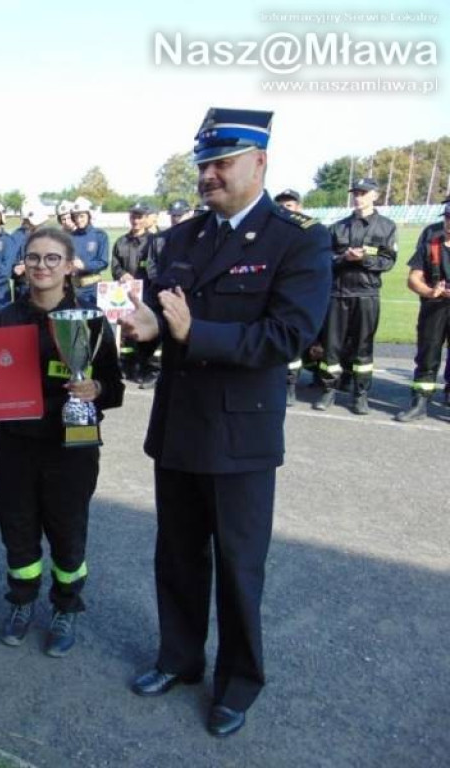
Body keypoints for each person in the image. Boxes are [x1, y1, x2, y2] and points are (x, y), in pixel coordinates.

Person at [121, 107, 330, 737]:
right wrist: (149, 328)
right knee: (177, 556)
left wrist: (194, 332)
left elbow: (288, 334)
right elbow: (163, 318)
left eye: (222, 163)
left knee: (239, 567)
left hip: (241, 434)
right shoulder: (182, 238)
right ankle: (179, 659)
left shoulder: (296, 239)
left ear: (259, 162)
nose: (208, 175)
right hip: (180, 424)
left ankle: (237, 685)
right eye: (204, 164)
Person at [0, 228, 123, 656]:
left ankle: (66, 606)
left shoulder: (90, 320)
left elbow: (115, 386)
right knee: (16, 525)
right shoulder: (5, 318)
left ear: (69, 266)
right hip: (17, 443)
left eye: (53, 258)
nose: (42, 266)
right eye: (34, 257)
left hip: (72, 446)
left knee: (67, 529)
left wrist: (96, 389)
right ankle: (21, 600)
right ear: (24, 263)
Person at [313, 177, 397, 414]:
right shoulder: (338, 227)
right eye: (356, 193)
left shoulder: (386, 226)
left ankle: (360, 395)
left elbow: (388, 261)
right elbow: (324, 259)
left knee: (363, 347)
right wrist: (344, 258)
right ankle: (328, 390)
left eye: (363, 193)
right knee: (332, 347)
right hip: (338, 294)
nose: (358, 197)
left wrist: (364, 259)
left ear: (375, 196)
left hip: (366, 294)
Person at [394, 199, 450, 422]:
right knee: (427, 355)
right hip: (434, 308)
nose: (449, 223)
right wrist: (430, 291)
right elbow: (413, 279)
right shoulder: (430, 246)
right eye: (447, 218)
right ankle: (419, 404)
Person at [273, 189, 323, 404]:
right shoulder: (270, 230)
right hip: (273, 294)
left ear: (299, 207)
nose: (284, 209)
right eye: (281, 205)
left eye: (289, 205)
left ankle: (291, 385)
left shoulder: (309, 231)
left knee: (294, 340)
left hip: (299, 294)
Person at [111, 202, 155, 383]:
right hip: (124, 295)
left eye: (139, 217)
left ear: (146, 218)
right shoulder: (121, 241)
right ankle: (126, 365)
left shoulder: (154, 241)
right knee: (126, 331)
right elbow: (115, 265)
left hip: (147, 295)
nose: (136, 220)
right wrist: (121, 274)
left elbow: (156, 267)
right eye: (133, 216)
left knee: (144, 332)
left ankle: (143, 367)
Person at [69, 197, 110, 303]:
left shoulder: (100, 235)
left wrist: (84, 266)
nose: (78, 220)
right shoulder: (70, 237)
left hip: (93, 290)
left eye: (82, 216)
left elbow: (103, 262)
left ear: (89, 215)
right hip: (72, 289)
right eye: (75, 216)